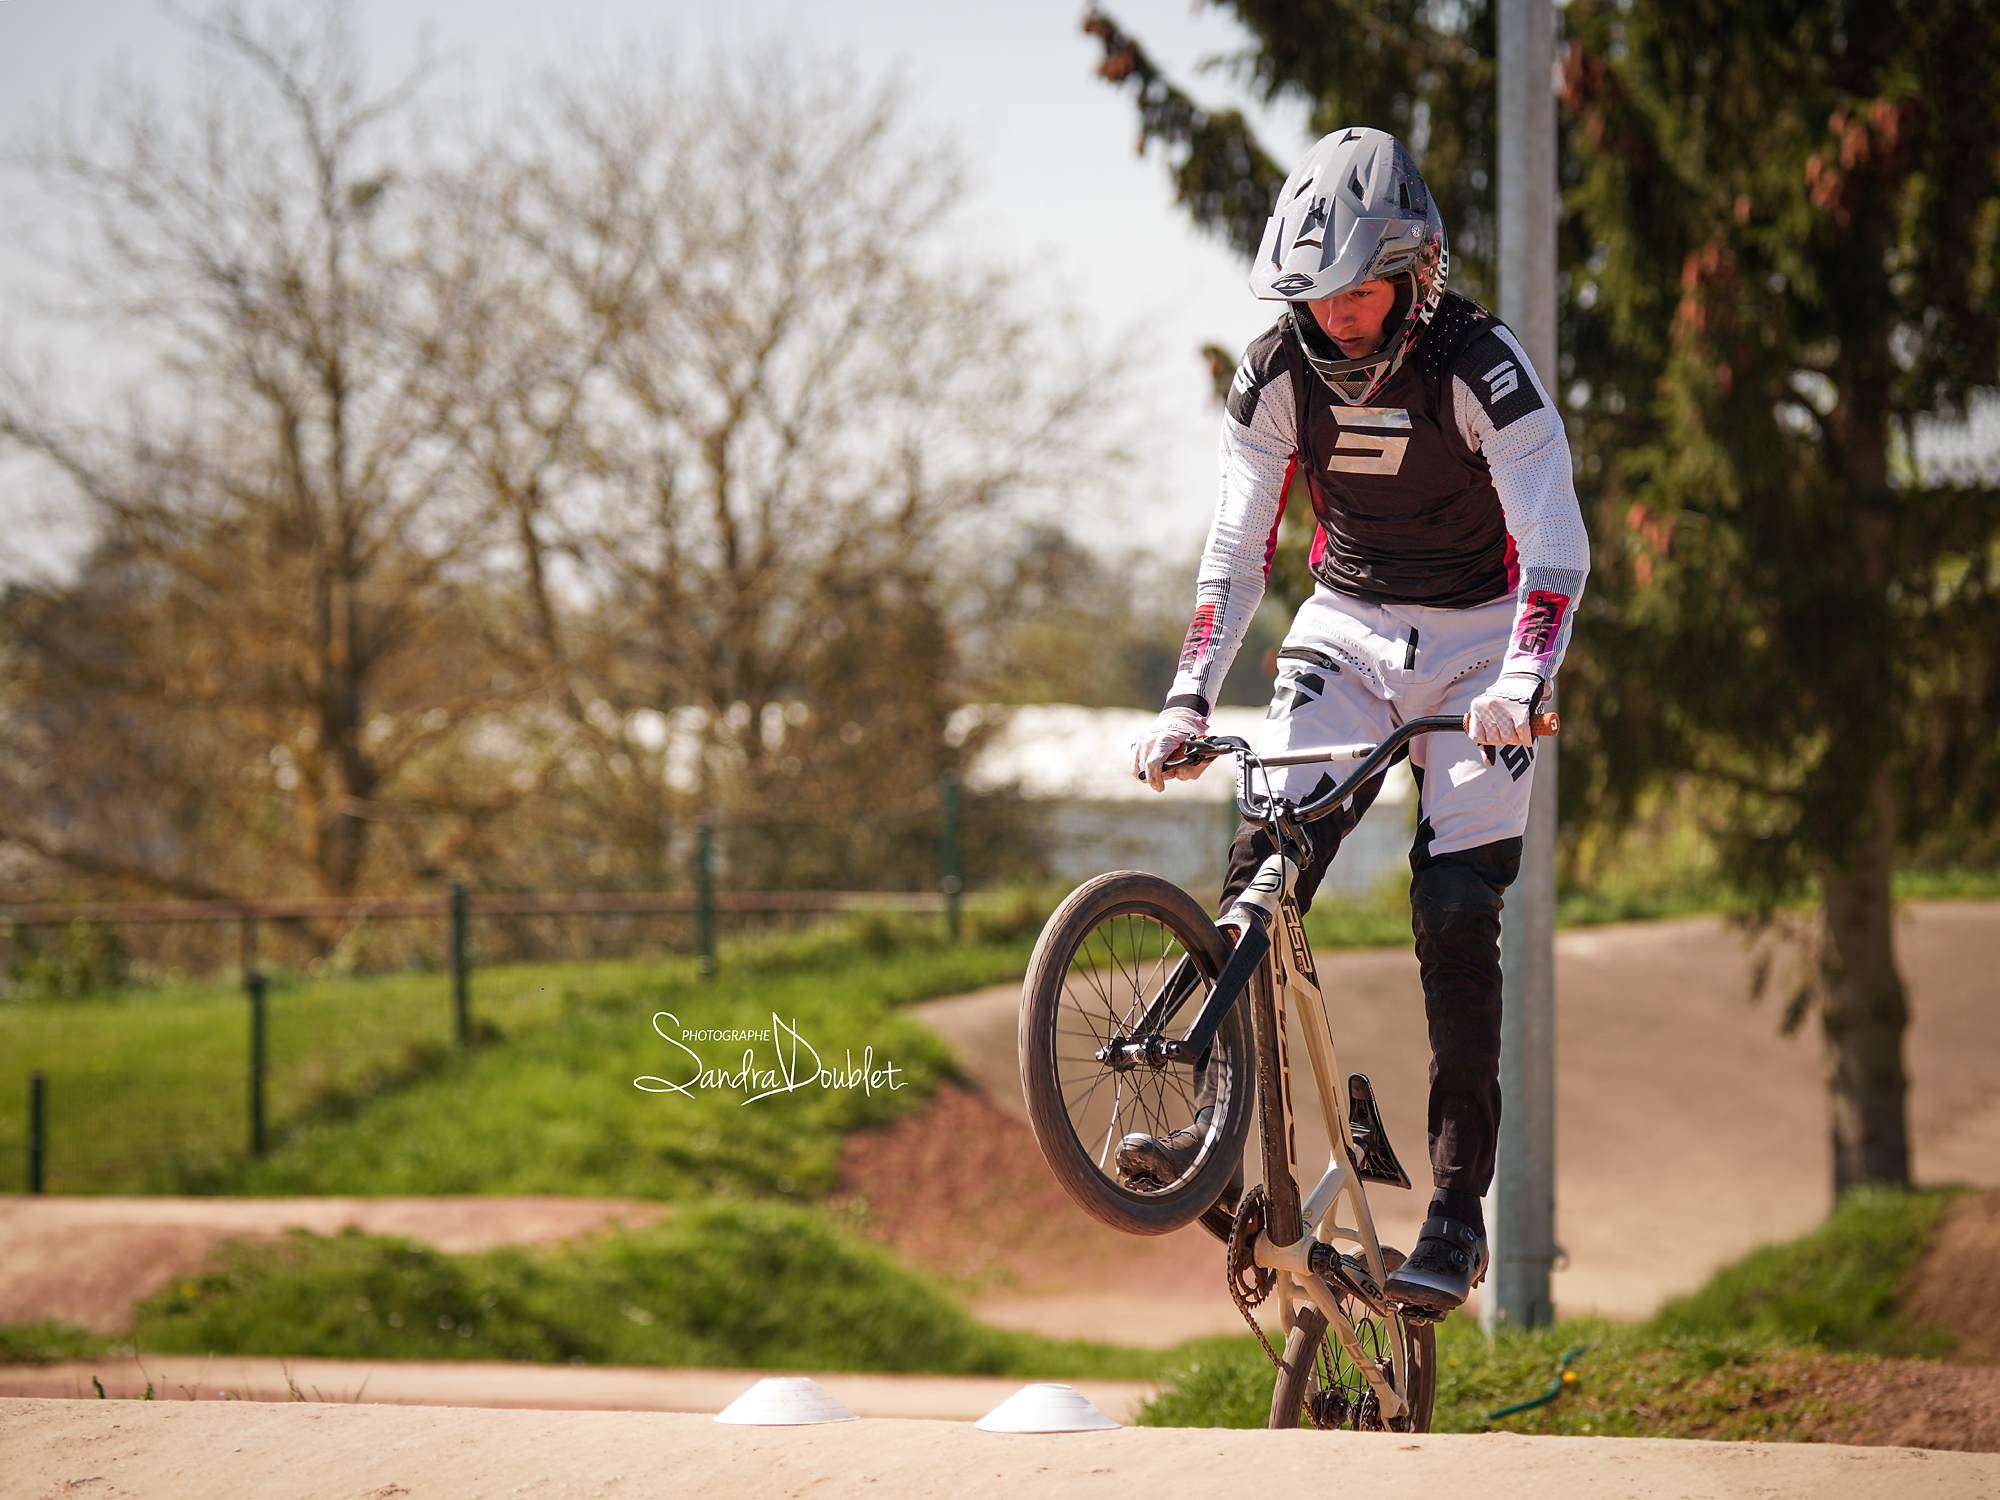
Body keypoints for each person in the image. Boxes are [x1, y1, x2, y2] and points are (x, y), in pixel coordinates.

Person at [1120, 127, 1589, 1316]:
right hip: (1349, 625)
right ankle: (1215, 1133)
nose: (1336, 317)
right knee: (1261, 867)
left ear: (1414, 272)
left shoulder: (1480, 363)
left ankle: (1452, 1208)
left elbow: (1554, 541)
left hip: (1484, 638)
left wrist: (1523, 681)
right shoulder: (1272, 369)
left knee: (1450, 909)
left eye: (1360, 291)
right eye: (1314, 295)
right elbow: (1234, 546)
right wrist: (1186, 697)